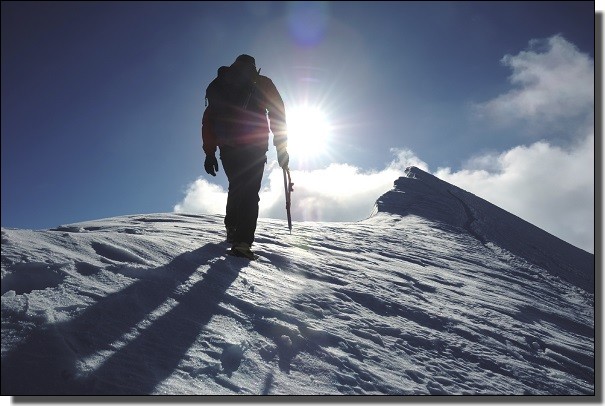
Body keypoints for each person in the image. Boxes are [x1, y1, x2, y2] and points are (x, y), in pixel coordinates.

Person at [201, 54, 289, 259]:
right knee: (249, 192)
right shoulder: (261, 82)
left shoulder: (220, 84)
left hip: (228, 148)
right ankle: (242, 243)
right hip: (254, 146)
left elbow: (208, 121)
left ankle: (232, 228)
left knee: (237, 186)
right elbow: (278, 114)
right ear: (253, 65)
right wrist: (282, 147)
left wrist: (209, 153)